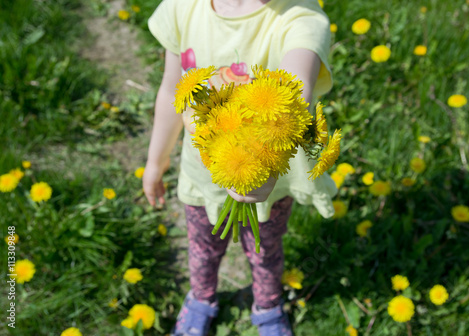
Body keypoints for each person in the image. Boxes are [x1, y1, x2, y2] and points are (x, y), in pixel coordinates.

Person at [143, 0, 337, 335]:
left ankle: (268, 306)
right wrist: (155, 161)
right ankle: (201, 299)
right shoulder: (181, 8)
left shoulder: (301, 19)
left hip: (270, 186)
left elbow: (295, 97)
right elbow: (172, 91)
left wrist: (267, 170)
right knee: (202, 249)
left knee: (265, 252)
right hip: (201, 178)